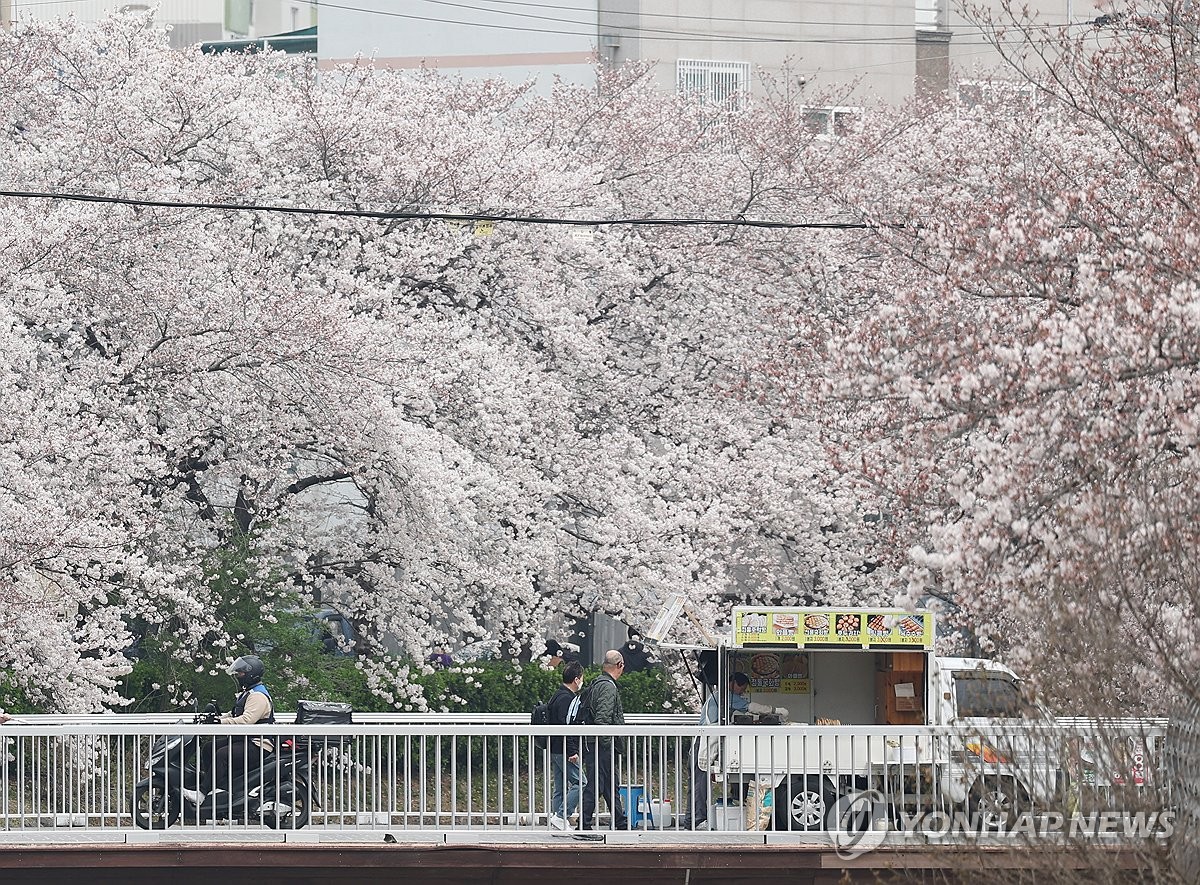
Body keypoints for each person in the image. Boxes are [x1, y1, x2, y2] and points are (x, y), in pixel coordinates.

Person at [202, 654, 276, 802]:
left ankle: (203, 792)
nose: (238, 675)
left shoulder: (258, 696)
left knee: (223, 754)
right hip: (245, 740)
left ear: (250, 674)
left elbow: (247, 720)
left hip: (258, 745)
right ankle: (219, 787)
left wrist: (221, 724)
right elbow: (234, 713)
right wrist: (215, 719)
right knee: (209, 748)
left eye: (241, 673)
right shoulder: (247, 693)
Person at [579, 650, 629, 830]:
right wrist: (608, 744)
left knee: (609, 785)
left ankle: (620, 822)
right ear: (620, 665)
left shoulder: (597, 683)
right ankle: (584, 824)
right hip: (602, 744)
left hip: (597, 742)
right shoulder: (608, 686)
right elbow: (603, 719)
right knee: (596, 785)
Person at [546, 661, 587, 829]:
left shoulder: (557, 695)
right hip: (563, 748)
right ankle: (562, 816)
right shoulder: (567, 699)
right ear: (576, 679)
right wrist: (572, 751)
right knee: (581, 782)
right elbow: (567, 725)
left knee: (560, 786)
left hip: (555, 747)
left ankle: (558, 820)